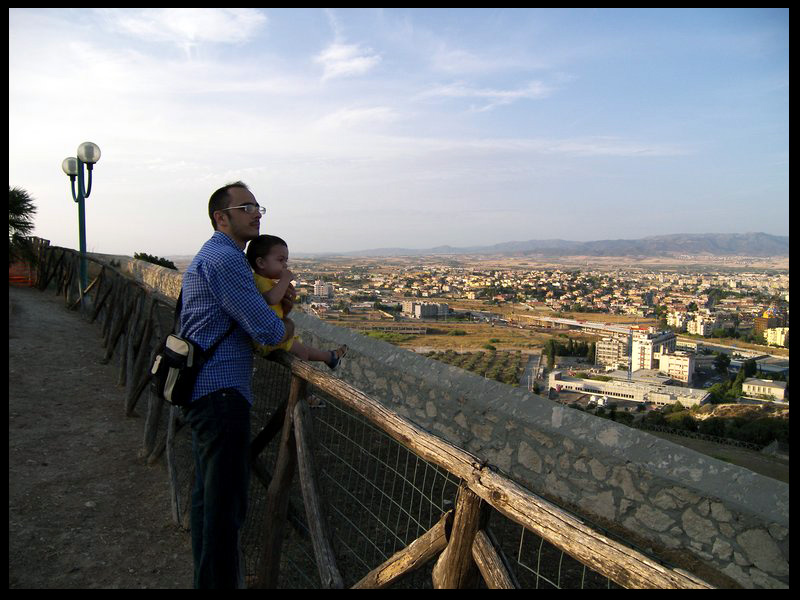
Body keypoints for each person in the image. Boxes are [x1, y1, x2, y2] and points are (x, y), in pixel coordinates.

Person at [178, 181, 291, 589]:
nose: (257, 213)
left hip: (204, 391)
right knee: (225, 509)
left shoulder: (215, 257)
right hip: (220, 395)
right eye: (247, 207)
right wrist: (289, 325)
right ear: (221, 217)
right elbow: (266, 330)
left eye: (259, 206)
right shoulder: (226, 261)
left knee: (209, 502)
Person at [245, 234, 347, 369]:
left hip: (271, 333)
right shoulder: (259, 281)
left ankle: (331, 357)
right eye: (280, 260)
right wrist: (285, 279)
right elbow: (271, 299)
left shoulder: (261, 281)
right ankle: (300, 380)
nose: (285, 265)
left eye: (285, 261)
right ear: (261, 263)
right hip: (269, 338)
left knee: (303, 348)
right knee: (302, 352)